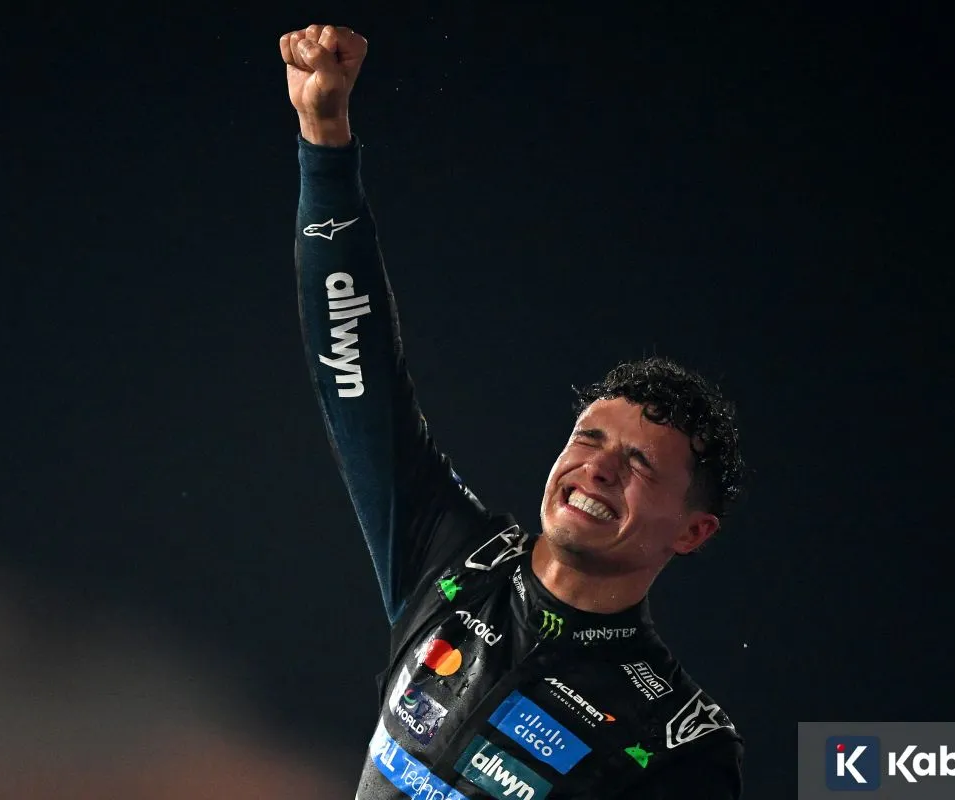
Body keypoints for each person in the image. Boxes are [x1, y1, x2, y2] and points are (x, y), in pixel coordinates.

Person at [282, 23, 746, 799]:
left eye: (638, 464)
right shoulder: (451, 558)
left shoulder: (681, 742)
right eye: (589, 438)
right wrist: (323, 140)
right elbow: (354, 375)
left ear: (693, 531)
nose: (598, 468)